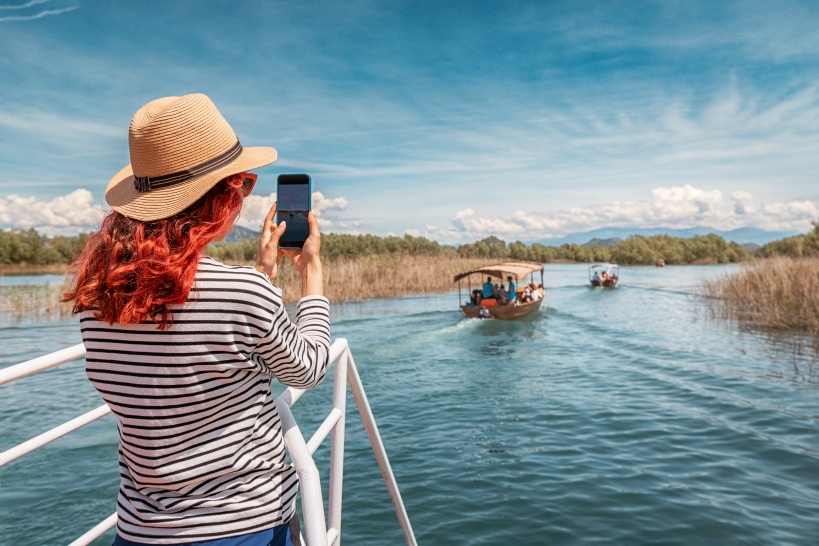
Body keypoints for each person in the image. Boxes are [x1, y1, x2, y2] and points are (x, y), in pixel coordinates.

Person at [61, 94, 328, 546]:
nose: (244, 197)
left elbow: (182, 351)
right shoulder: (242, 292)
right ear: (220, 200)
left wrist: (261, 274)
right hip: (246, 528)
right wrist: (313, 276)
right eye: (242, 184)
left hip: (141, 531)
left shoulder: (97, 299)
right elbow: (309, 367)